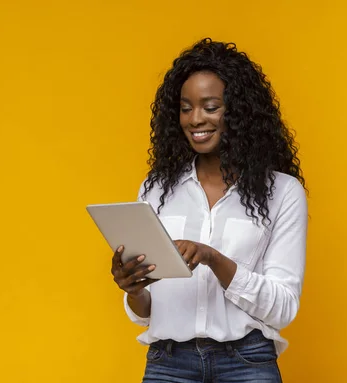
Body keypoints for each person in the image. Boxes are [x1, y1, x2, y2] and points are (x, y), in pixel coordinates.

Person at [110, 38, 308, 383]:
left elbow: (282, 308)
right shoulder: (156, 189)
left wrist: (214, 258)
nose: (195, 119)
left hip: (247, 363)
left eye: (210, 106)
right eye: (186, 108)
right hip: (168, 364)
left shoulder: (282, 193)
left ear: (240, 111)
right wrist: (134, 289)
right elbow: (147, 312)